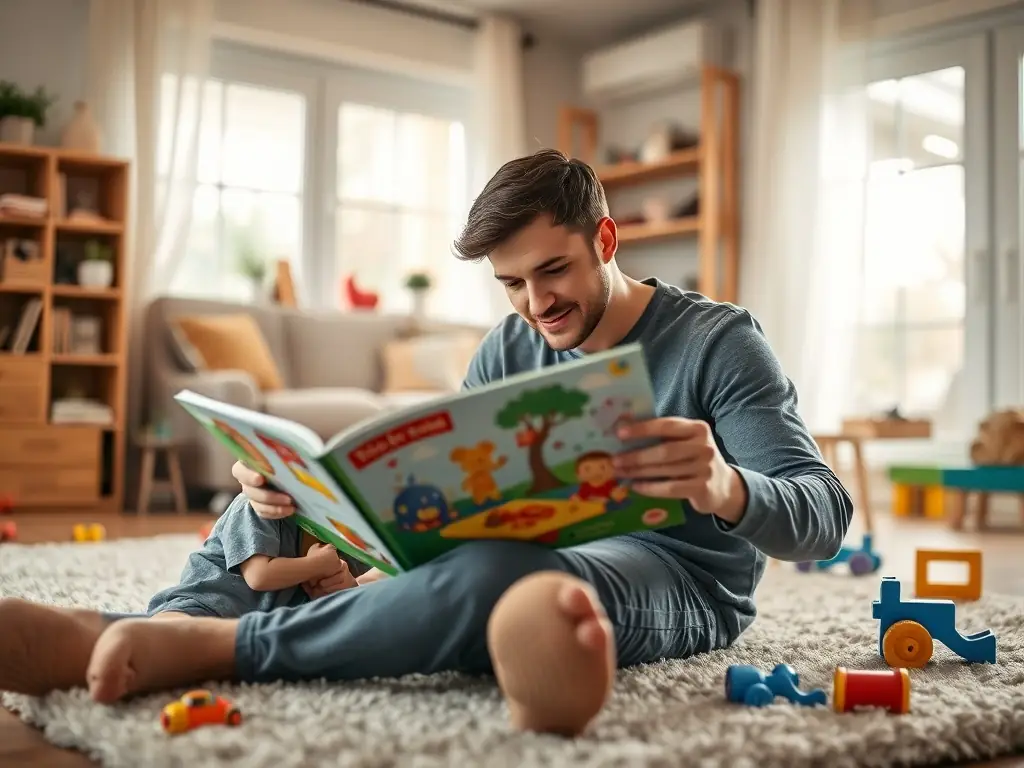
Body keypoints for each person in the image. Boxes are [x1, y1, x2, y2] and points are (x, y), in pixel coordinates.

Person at [0, 149, 853, 710]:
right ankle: (142, 624)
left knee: (507, 578)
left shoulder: (717, 342)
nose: (536, 305)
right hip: (512, 547)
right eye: (511, 284)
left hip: (671, 575)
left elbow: (823, 514)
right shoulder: (508, 347)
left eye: (553, 270)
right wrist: (314, 504)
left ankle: (218, 647)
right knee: (282, 493)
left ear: (605, 237)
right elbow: (450, 503)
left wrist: (724, 486)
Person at [146, 494, 359, 621]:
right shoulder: (257, 505)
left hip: (247, 629)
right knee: (171, 631)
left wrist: (346, 584)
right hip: (206, 601)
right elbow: (259, 576)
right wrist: (316, 565)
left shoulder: (342, 538)